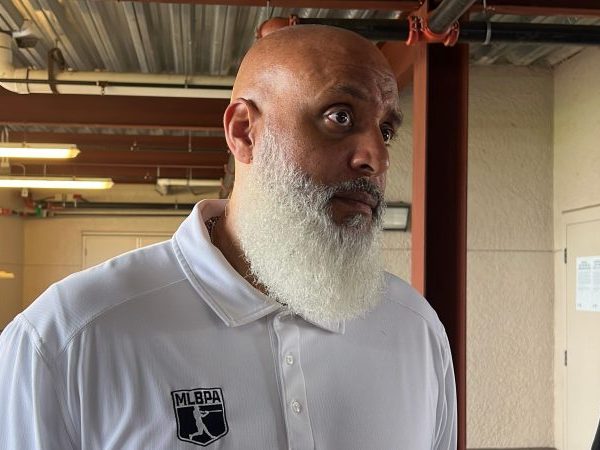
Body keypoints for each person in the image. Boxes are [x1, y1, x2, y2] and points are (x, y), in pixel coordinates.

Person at [0, 25, 456, 449]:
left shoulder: (415, 330)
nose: (377, 158)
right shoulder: (69, 337)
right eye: (339, 116)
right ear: (244, 132)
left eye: (386, 130)